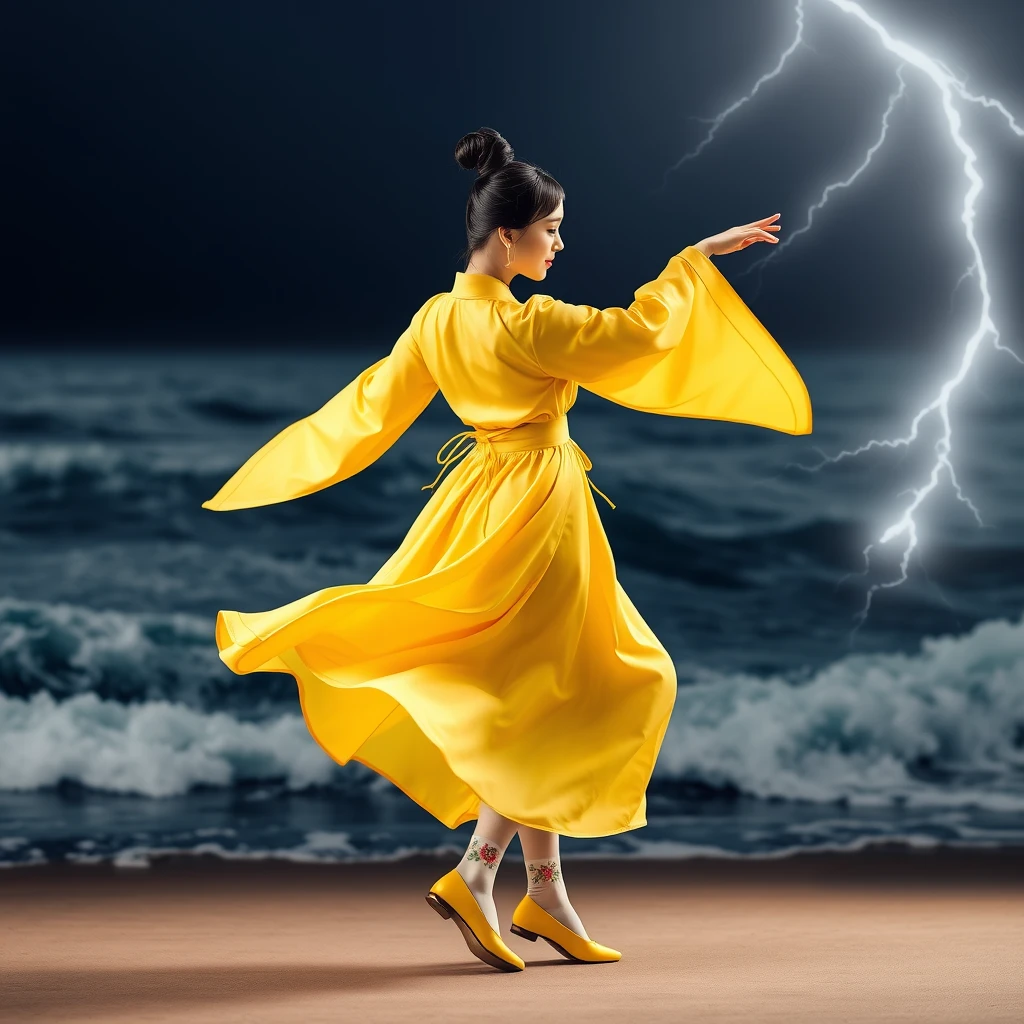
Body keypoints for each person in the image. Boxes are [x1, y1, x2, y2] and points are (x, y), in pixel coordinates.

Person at [202, 127, 812, 972]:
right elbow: (637, 335)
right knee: (606, 681)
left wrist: (272, 467)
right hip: (539, 509)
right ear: (505, 236)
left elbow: (365, 409)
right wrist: (693, 262)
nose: (560, 243)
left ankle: (545, 893)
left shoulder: (435, 319)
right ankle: (477, 874)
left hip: (475, 503)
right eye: (552, 229)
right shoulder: (533, 328)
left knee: (537, 691)